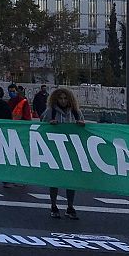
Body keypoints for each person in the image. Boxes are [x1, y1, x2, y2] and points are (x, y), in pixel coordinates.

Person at [44, 88, 85, 219]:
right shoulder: (51, 111)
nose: (63, 101)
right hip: (55, 151)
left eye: (65, 98)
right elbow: (41, 127)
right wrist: (49, 124)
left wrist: (81, 125)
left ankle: (70, 206)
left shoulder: (76, 112)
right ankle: (53, 205)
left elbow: (84, 131)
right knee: (55, 180)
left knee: (70, 181)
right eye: (60, 98)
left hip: (71, 151)